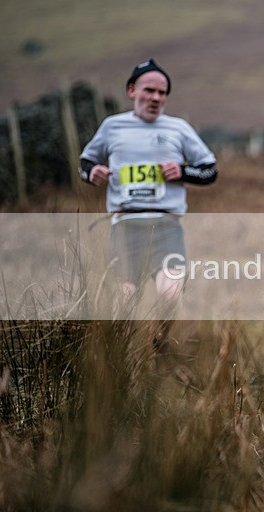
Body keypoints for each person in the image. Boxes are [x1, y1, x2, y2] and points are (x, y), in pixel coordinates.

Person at [79, 58, 218, 319]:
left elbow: (210, 169)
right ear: (132, 91)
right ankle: (127, 358)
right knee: (123, 305)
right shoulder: (112, 126)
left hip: (166, 228)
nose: (156, 98)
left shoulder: (178, 128)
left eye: (162, 93)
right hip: (125, 227)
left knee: (171, 297)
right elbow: (86, 161)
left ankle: (159, 348)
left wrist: (183, 171)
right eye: (149, 90)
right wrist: (92, 172)